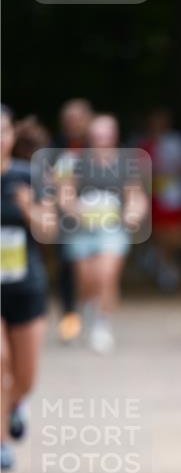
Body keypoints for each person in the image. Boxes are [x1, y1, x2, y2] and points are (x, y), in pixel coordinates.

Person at [57, 113, 148, 354]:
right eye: (97, 134)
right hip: (82, 229)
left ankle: (102, 324)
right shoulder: (75, 160)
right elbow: (65, 194)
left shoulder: (126, 163)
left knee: (106, 275)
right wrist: (75, 210)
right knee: (86, 280)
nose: (101, 138)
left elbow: (135, 195)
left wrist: (133, 213)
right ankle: (88, 310)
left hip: (112, 228)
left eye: (106, 133)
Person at [1, 105, 57, 470]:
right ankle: (3, 442)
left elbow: (50, 230)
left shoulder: (29, 176)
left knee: (25, 377)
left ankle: (15, 404)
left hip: (25, 286)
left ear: (11, 135)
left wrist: (29, 209)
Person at [52, 98, 95, 342]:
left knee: (95, 269)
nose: (72, 124)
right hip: (66, 217)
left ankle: (92, 311)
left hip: (97, 216)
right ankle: (69, 316)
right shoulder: (56, 145)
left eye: (77, 119)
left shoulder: (100, 145)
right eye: (68, 120)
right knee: (68, 268)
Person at [138, 107, 181, 292]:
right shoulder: (144, 142)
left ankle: (164, 261)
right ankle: (162, 264)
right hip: (152, 191)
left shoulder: (176, 141)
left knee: (175, 231)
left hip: (172, 191)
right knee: (157, 230)